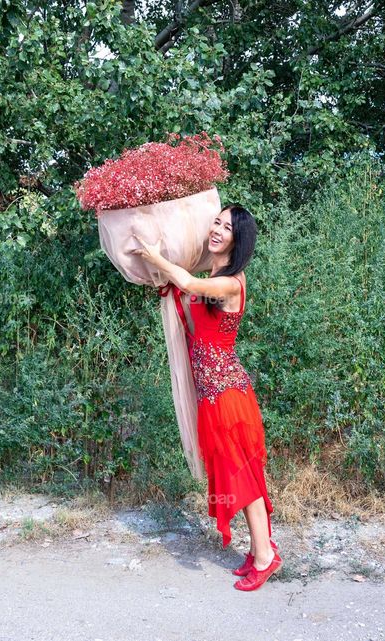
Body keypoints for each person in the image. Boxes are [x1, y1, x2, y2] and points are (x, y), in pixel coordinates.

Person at [128, 203, 281, 591]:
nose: (216, 230)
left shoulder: (230, 282)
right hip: (214, 394)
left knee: (241, 476)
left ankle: (265, 557)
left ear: (237, 239)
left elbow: (190, 287)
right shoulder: (212, 271)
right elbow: (186, 293)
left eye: (225, 227)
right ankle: (262, 550)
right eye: (216, 221)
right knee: (240, 474)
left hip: (228, 395)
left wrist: (153, 256)